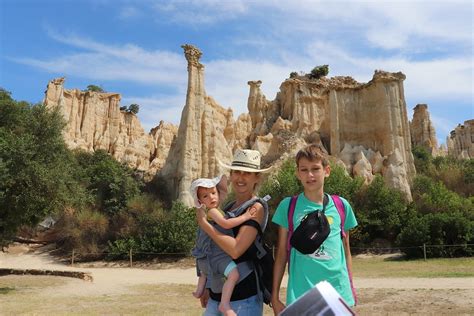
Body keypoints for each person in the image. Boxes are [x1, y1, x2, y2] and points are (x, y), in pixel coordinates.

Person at [271, 144, 358, 315]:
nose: (310, 175)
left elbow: (346, 250)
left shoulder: (342, 206)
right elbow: (281, 253)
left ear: (327, 171)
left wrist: (350, 290)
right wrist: (274, 297)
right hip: (301, 296)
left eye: (315, 169)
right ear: (297, 173)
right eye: (304, 170)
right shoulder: (288, 206)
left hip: (338, 294)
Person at [195, 149, 272, 316]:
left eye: (247, 173)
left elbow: (235, 249)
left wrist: (205, 224)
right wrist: (208, 286)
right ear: (230, 174)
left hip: (244, 298)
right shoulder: (228, 207)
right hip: (217, 295)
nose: (241, 178)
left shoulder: (255, 208)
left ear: (256, 178)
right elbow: (212, 248)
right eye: (237, 172)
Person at [190, 175, 258, 316]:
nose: (211, 198)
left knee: (205, 273)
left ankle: (199, 290)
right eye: (206, 196)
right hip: (220, 257)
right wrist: (245, 217)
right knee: (234, 274)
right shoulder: (214, 212)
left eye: (213, 193)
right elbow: (226, 224)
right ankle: (225, 304)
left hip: (209, 259)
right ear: (200, 201)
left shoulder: (210, 212)